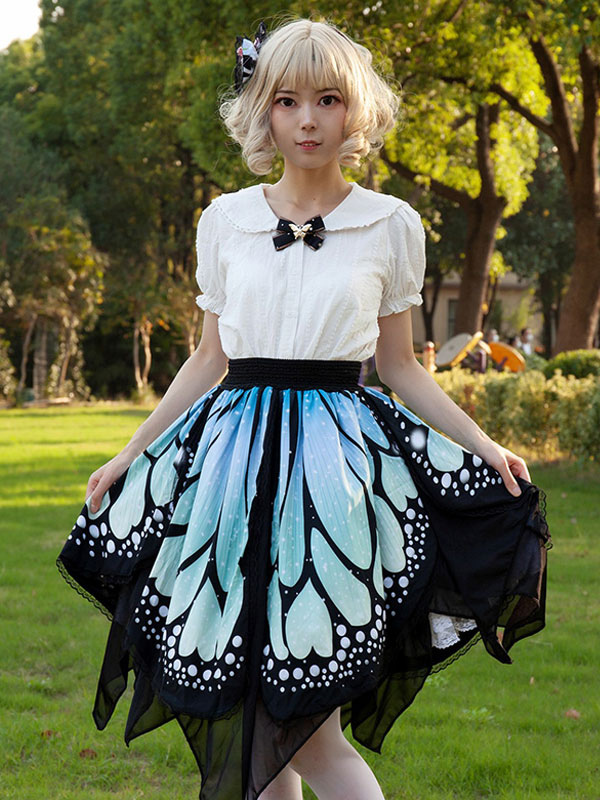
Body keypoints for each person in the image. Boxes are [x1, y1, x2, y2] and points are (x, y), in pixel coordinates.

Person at [56, 17, 550, 800]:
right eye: (287, 101)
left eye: (328, 99)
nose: (308, 120)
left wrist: (485, 445)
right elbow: (209, 359)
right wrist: (129, 452)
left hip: (330, 485)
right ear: (264, 111)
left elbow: (399, 367)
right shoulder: (225, 221)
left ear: (355, 110)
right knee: (257, 719)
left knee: (308, 720)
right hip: (230, 478)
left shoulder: (389, 224)